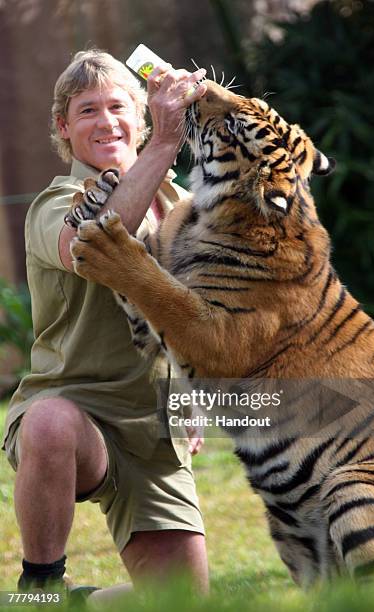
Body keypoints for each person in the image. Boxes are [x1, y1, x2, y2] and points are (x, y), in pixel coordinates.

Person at [1, 49, 209, 597]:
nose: (106, 120)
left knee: (181, 606)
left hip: (151, 428)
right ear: (63, 128)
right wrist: (166, 143)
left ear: (140, 116)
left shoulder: (186, 204)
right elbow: (95, 248)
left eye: (118, 105)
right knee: (49, 422)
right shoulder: (57, 204)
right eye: (87, 109)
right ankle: (40, 588)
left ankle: (76, 605)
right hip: (74, 409)